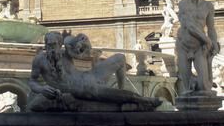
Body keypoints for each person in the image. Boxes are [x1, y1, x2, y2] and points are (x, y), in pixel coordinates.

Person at [28, 31, 161, 111]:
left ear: (60, 44)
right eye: (48, 45)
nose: (51, 48)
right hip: (84, 89)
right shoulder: (40, 60)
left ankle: (126, 93)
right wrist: (41, 89)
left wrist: (81, 42)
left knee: (120, 58)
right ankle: (144, 101)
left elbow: (81, 41)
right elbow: (32, 81)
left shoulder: (64, 54)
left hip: (88, 78)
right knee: (117, 94)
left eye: (54, 45)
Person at [176, 0, 218, 94]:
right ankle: (186, 109)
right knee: (186, 86)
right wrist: (208, 41)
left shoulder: (208, 6)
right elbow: (190, 26)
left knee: (205, 86)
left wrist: (214, 43)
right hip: (183, 45)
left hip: (200, 46)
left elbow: (211, 28)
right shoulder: (183, 4)